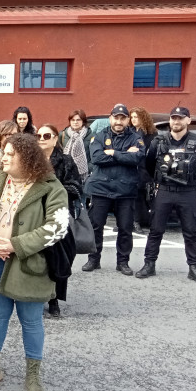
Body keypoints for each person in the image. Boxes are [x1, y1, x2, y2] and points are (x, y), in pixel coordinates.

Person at [0, 133, 69, 391]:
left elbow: (57, 228)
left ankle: (33, 375)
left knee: (32, 321)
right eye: (4, 152)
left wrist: (15, 245)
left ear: (28, 157)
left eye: (12, 154)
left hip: (30, 264)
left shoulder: (50, 187)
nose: (4, 157)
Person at [136, 107, 196, 285]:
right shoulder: (158, 141)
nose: (176, 122)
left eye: (180, 118)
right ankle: (149, 264)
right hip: (164, 190)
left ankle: (195, 268)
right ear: (170, 121)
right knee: (155, 230)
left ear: (188, 121)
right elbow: (149, 165)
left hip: (188, 192)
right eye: (173, 118)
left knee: (191, 232)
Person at [82, 103, 146, 275]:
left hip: (126, 190)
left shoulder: (136, 138)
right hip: (101, 188)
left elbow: (137, 158)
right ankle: (93, 260)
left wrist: (112, 153)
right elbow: (97, 158)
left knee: (125, 228)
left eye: (122, 118)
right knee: (96, 226)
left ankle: (122, 262)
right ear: (110, 118)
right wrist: (124, 154)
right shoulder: (99, 136)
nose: (119, 121)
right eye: (116, 117)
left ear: (127, 120)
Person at [36, 124, 83, 317]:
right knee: (39, 259)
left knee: (60, 257)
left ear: (56, 139)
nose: (41, 138)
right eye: (38, 135)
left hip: (58, 216)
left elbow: (76, 187)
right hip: (36, 216)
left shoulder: (65, 160)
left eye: (46, 135)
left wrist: (53, 189)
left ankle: (54, 298)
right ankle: (38, 296)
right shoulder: (31, 161)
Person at [130, 106, 158, 227]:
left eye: (136, 117)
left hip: (144, 168)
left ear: (143, 118)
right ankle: (131, 220)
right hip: (131, 167)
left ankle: (139, 221)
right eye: (132, 117)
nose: (133, 120)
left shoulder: (150, 133)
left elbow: (151, 151)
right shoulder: (129, 131)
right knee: (130, 195)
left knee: (142, 195)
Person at [60, 109, 91, 183]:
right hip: (66, 173)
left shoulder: (91, 136)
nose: (75, 122)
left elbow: (92, 156)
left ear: (83, 121)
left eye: (78, 120)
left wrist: (88, 168)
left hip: (85, 174)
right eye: (73, 120)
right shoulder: (63, 134)